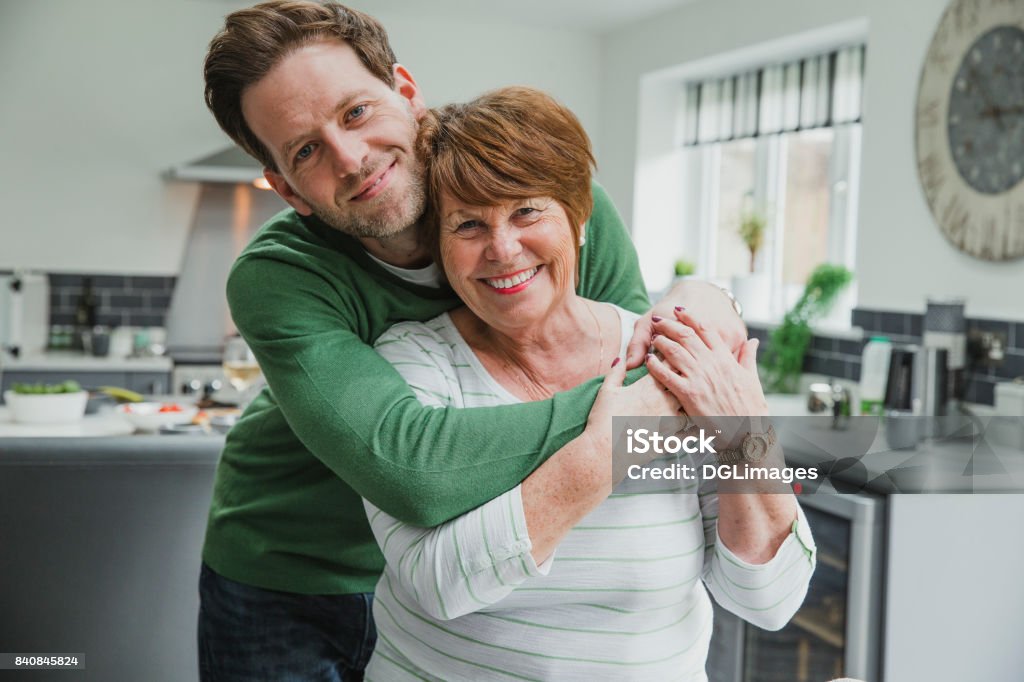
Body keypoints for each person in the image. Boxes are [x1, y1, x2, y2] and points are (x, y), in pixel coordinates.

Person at [197, 2, 747, 679]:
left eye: (356, 112)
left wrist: (710, 302)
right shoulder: (280, 276)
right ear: (286, 189)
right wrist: (659, 402)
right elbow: (416, 470)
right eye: (306, 150)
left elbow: (624, 366)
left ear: (406, 92)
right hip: (289, 575)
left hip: (459, 578)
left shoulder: (549, 200)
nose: (351, 158)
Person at [364, 87, 815, 681]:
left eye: (527, 211)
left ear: (578, 222)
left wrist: (745, 433)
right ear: (442, 247)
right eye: (469, 224)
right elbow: (438, 584)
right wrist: (605, 452)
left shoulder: (671, 354)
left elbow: (769, 601)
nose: (502, 249)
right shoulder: (414, 364)